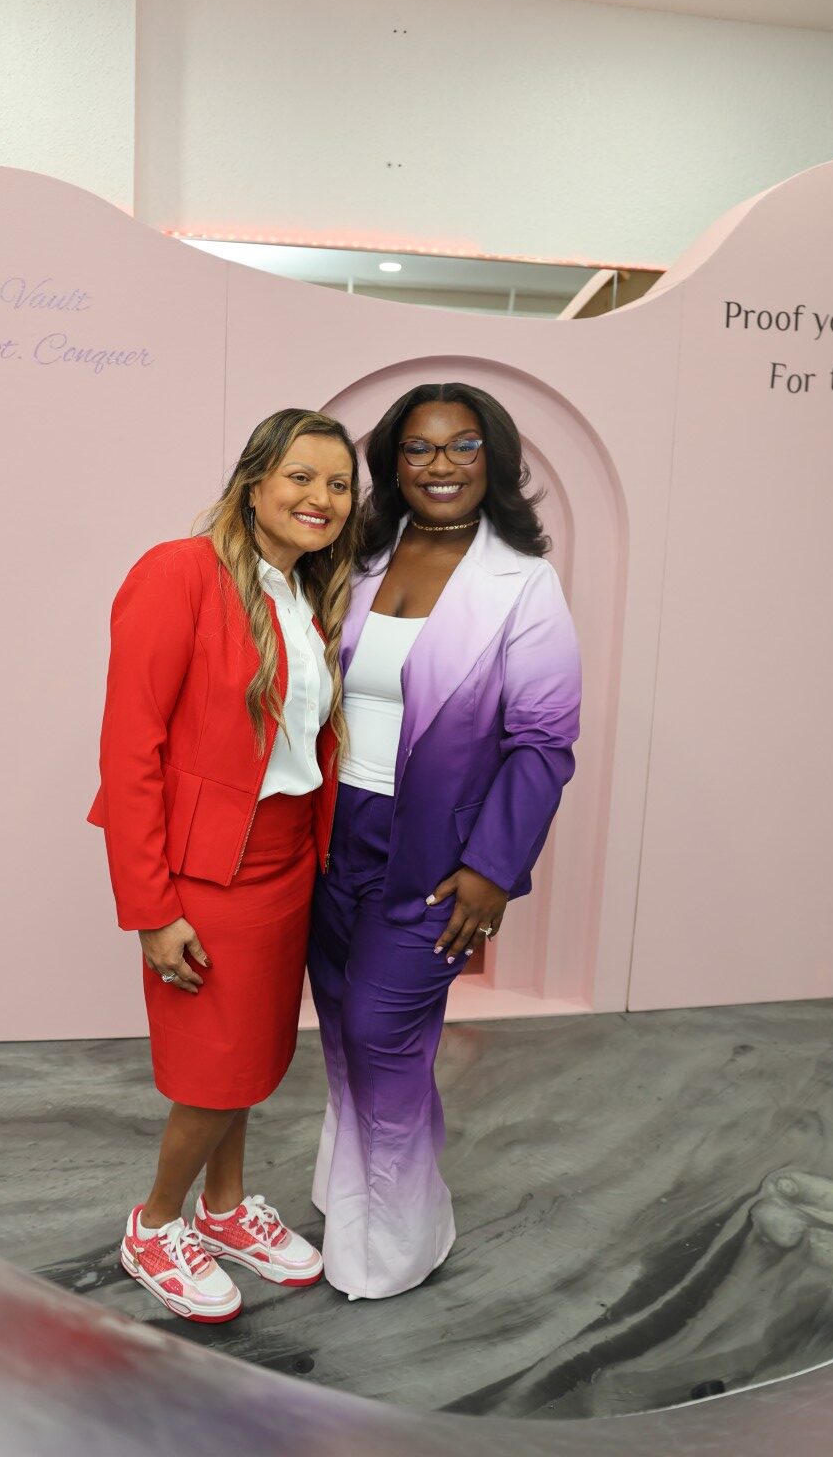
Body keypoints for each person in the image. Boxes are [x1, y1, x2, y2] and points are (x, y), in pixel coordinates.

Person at [307, 382, 582, 1299]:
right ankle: (347, 1197)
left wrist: (491, 869)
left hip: (436, 853)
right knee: (341, 1028)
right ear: (393, 463)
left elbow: (543, 741)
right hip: (332, 833)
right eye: (419, 448)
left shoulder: (523, 583)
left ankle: (395, 1242)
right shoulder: (357, 557)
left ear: (492, 459)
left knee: (382, 1034)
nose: (441, 465)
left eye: (462, 446)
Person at [88, 408, 359, 1323]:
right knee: (213, 1070)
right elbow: (129, 750)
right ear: (253, 483)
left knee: (251, 1059)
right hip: (206, 872)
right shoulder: (178, 572)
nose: (320, 498)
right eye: (300, 477)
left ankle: (224, 1208)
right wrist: (150, 907)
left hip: (287, 861)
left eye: (337, 484)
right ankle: (156, 1224)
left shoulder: (305, 589)